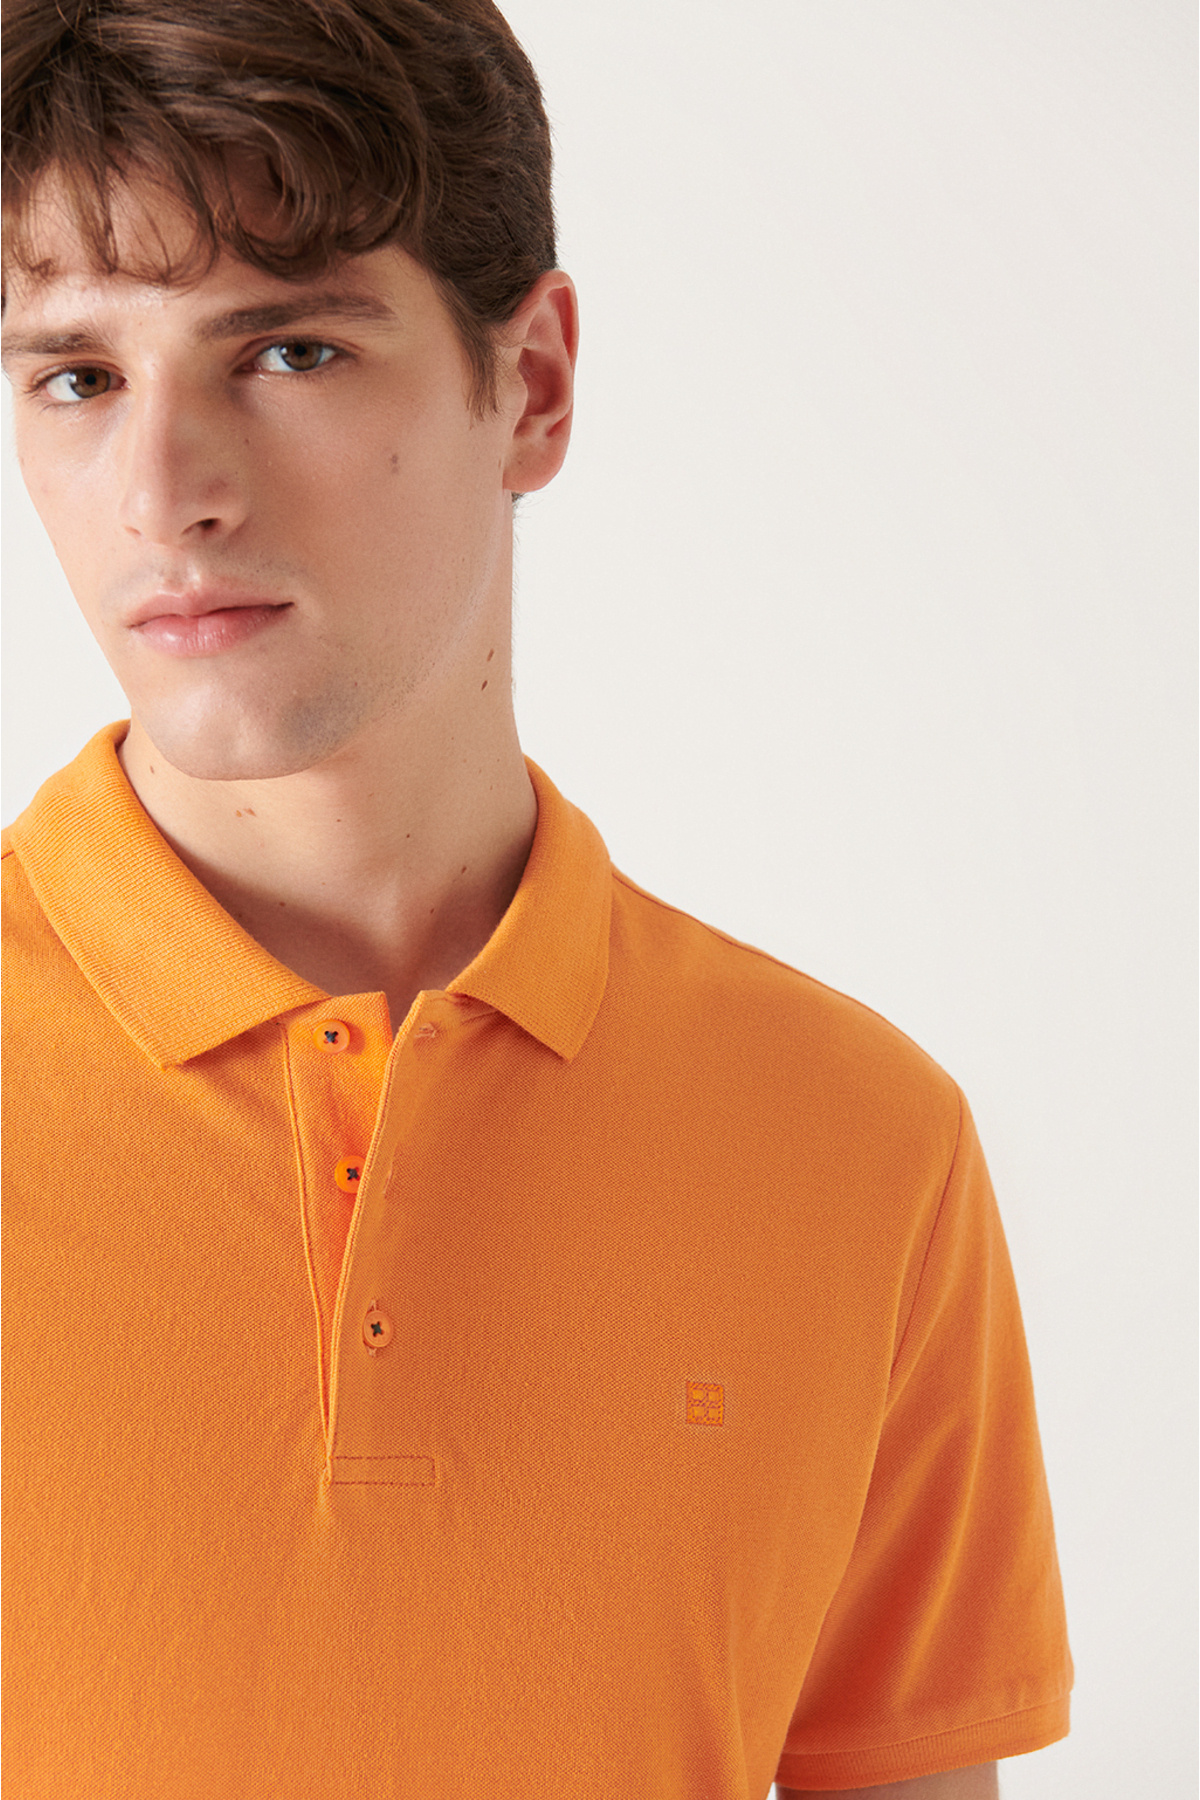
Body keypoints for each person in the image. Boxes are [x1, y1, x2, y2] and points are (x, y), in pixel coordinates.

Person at [0, 1, 1072, 1794]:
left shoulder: (859, 1144)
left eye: (288, 351)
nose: (164, 494)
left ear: (537, 386)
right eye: (77, 378)